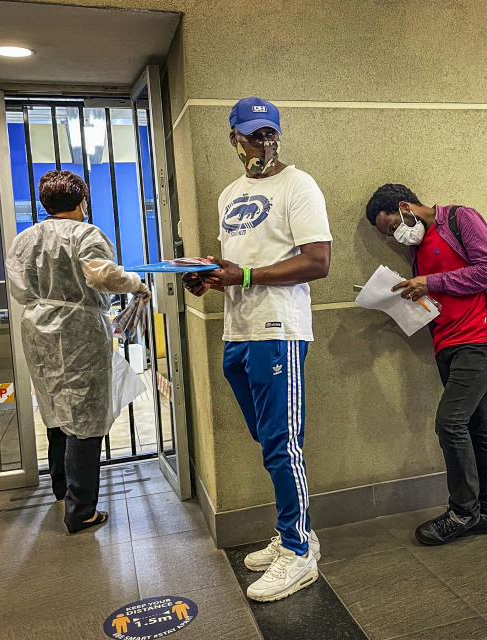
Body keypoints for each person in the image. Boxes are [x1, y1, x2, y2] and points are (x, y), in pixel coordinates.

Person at [182, 97, 332, 602]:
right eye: (251, 134)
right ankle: (297, 530)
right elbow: (240, 262)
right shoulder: (230, 195)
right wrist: (211, 276)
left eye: (269, 133)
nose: (262, 143)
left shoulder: (299, 185)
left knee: (282, 443)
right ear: (233, 139)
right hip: (238, 331)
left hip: (279, 330)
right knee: (270, 441)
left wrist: (242, 274)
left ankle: (298, 550)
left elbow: (317, 262)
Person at [365, 184, 487, 545]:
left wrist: (429, 281)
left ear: (405, 208)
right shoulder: (418, 249)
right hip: (447, 342)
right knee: (477, 425)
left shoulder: (459, 218)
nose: (396, 237)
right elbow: (441, 290)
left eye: (392, 228)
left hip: (480, 339)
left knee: (449, 423)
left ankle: (463, 511)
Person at [6, 170, 148, 533]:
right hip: (79, 331)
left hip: (38, 328)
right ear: (82, 201)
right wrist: (135, 281)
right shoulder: (85, 234)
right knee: (85, 419)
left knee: (54, 407)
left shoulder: (26, 238)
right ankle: (81, 510)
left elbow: (17, 282)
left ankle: (60, 488)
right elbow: (101, 276)